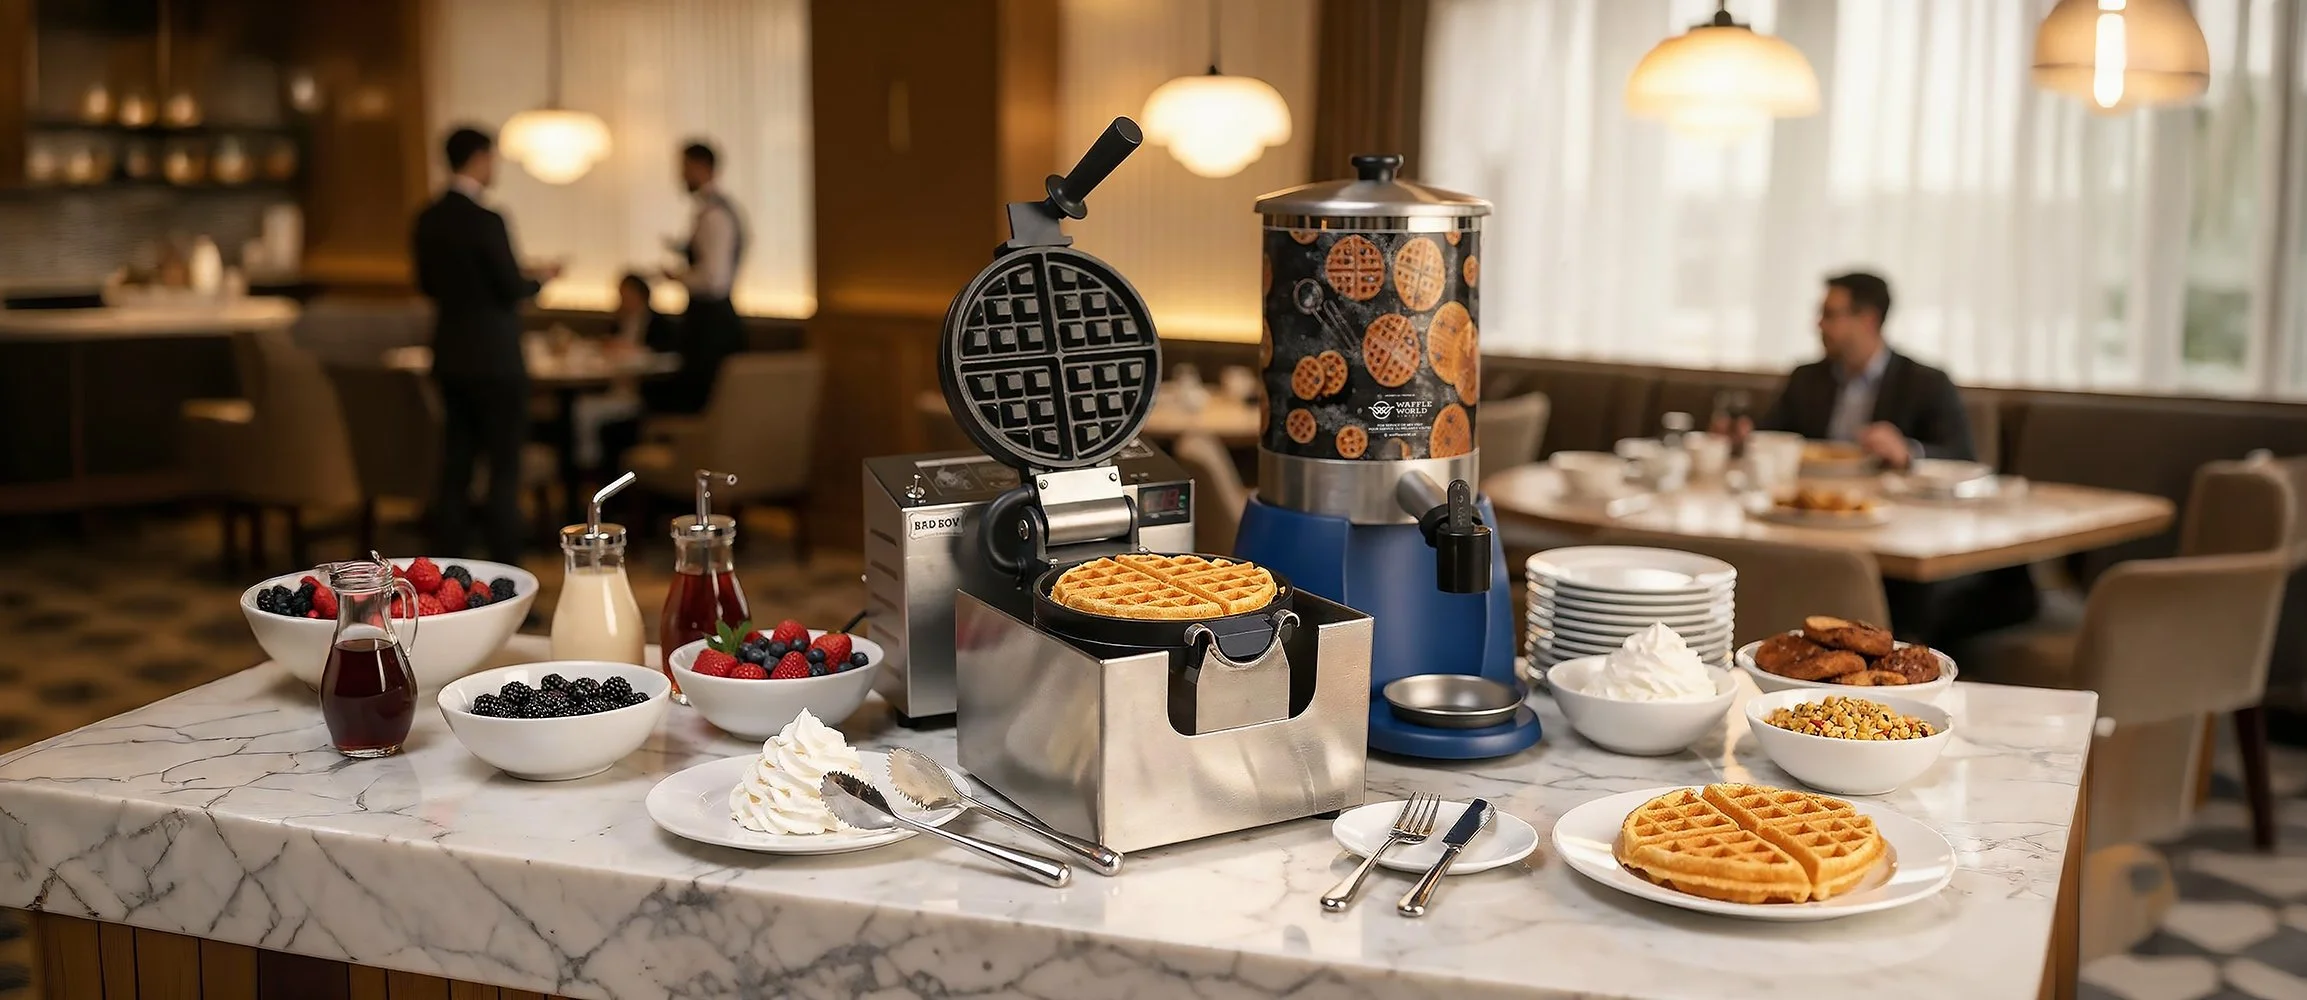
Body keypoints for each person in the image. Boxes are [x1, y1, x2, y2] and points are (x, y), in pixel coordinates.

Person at [411, 126, 559, 564]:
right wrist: (542, 278)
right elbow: (512, 286)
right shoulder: (487, 219)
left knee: (454, 469)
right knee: (503, 472)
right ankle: (506, 575)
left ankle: (443, 570)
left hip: (450, 353)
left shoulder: (427, 218)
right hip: (495, 358)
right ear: (478, 158)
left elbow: (426, 284)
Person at [1725, 272, 1975, 467]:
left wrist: (1908, 452)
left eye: (1830, 315)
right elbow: (1772, 438)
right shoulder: (1806, 378)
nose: (1819, 324)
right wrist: (1742, 440)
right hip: (1810, 502)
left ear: (1868, 320)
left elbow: (1963, 456)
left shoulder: (1926, 382)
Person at [651, 140, 746, 415]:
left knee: (703, 407)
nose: (680, 176)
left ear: (700, 167)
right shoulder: (712, 210)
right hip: (709, 321)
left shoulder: (714, 215)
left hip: (710, 325)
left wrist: (677, 277)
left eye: (684, 168)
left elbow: (713, 279)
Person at [573, 273, 679, 471]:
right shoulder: (619, 323)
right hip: (614, 389)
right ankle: (585, 471)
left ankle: (590, 469)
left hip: (642, 395)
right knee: (580, 408)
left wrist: (631, 353)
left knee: (584, 412)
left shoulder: (660, 324)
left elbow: (667, 358)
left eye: (626, 294)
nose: (622, 300)